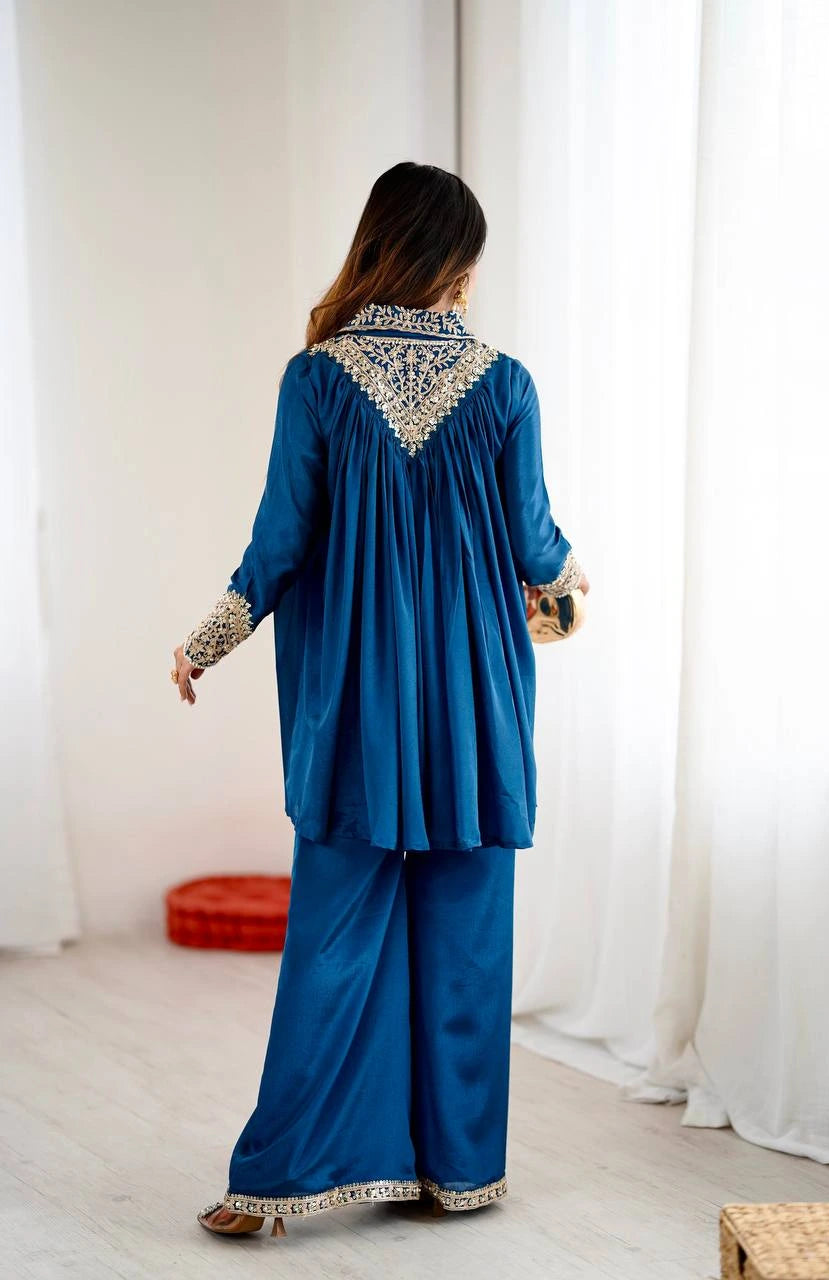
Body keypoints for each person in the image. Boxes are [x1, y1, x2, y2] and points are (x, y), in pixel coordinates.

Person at [172, 161, 589, 1239]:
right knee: (466, 930)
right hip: (473, 707)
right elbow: (537, 546)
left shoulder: (314, 379)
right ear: (451, 261)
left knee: (332, 933)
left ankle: (271, 1179)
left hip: (356, 706)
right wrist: (570, 591)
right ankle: (455, 1172)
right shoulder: (506, 384)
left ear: (376, 246)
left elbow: (278, 544)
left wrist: (205, 640)